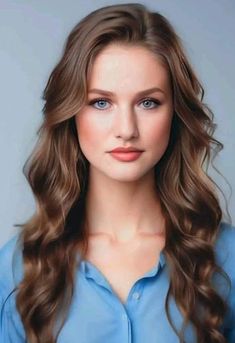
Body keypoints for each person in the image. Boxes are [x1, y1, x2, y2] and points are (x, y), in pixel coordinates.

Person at [0, 3, 234, 343]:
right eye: (101, 102)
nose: (126, 129)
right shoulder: (17, 267)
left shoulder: (224, 256)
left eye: (148, 102)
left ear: (175, 113)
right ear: (71, 113)